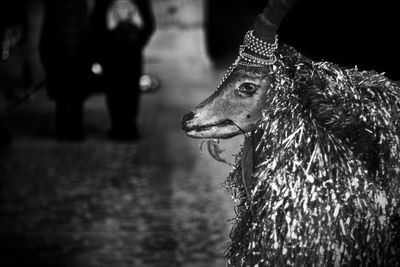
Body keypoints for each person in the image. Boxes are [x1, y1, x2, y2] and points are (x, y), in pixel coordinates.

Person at [89, 0, 155, 141]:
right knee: (116, 90)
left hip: (128, 50)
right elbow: (95, 25)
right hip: (114, 50)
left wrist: (137, 43)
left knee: (128, 90)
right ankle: (120, 127)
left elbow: (149, 25)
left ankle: (127, 126)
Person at [39, 0, 89, 141]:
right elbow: (84, 29)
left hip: (58, 56)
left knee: (62, 99)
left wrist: (46, 56)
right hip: (76, 56)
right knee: (76, 99)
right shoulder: (80, 4)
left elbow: (46, 31)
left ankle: (63, 131)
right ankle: (76, 131)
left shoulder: (52, 5)